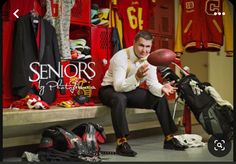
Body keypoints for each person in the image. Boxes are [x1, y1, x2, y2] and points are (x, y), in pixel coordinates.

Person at [98, 30, 187, 157]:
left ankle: (169, 139)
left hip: (129, 90)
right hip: (109, 90)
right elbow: (118, 86)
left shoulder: (149, 60)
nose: (144, 50)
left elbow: (152, 84)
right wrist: (137, 76)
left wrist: (162, 88)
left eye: (147, 46)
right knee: (120, 98)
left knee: (159, 98)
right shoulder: (121, 57)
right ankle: (121, 142)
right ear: (134, 43)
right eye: (141, 45)